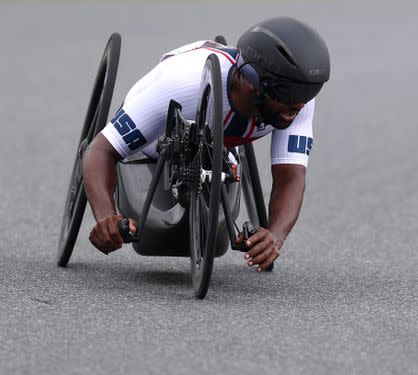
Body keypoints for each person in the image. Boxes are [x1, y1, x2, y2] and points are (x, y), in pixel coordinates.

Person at [82, 16, 330, 272]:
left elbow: (291, 177)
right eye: (291, 96)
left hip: (220, 138)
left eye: (310, 93)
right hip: (157, 125)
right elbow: (100, 150)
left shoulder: (297, 101)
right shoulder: (179, 86)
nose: (300, 105)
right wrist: (105, 216)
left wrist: (275, 235)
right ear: (256, 84)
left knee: (224, 161)